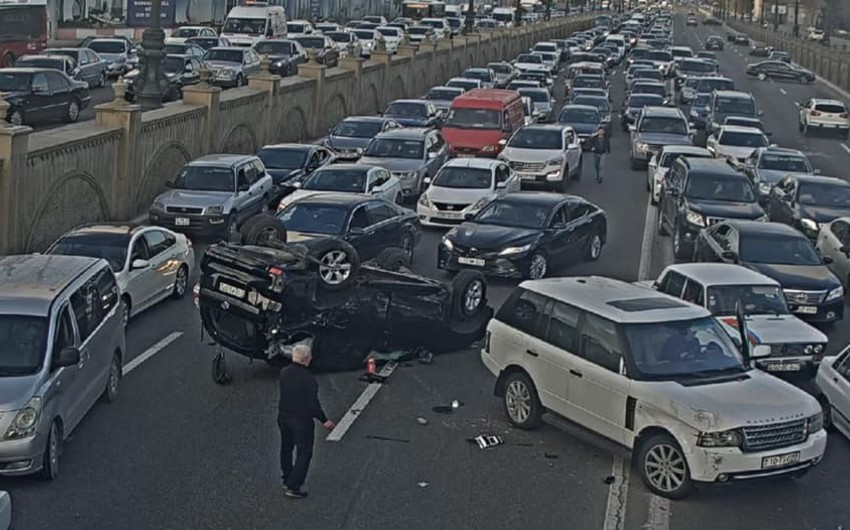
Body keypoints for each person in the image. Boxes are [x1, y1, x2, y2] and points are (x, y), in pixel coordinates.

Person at [278, 344, 335, 499]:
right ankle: (294, 485)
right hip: (301, 420)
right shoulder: (308, 379)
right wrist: (324, 420)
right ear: (306, 359)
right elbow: (313, 405)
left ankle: (286, 477)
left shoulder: (284, 373)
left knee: (286, 448)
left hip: (283, 417)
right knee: (304, 452)